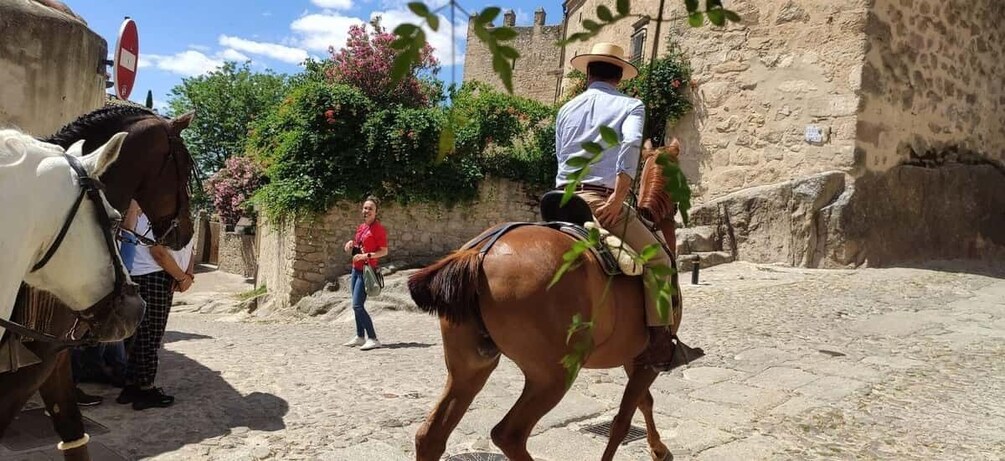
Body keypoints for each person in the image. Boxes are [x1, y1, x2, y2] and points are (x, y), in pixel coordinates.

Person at [555, 42, 681, 371]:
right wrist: (618, 195)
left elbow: (561, 156)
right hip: (600, 202)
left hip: (560, 202)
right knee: (661, 260)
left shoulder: (567, 109)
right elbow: (629, 145)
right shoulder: (630, 105)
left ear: (588, 75)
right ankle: (657, 344)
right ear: (619, 77)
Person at [116, 210, 194, 410]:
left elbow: (189, 248)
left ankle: (132, 385)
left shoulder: (175, 215)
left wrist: (188, 274)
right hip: (152, 277)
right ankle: (145, 388)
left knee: (143, 335)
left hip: (160, 276)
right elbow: (158, 253)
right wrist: (181, 277)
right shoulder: (153, 216)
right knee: (149, 336)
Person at [341, 196, 388, 351]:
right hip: (356, 269)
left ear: (376, 212)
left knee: (357, 305)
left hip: (366, 271)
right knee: (355, 306)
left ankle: (373, 338)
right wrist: (351, 244)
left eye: (370, 209)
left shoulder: (378, 229)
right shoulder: (362, 227)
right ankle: (360, 336)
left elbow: (383, 251)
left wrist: (366, 256)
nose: (367, 211)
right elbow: (359, 247)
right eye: (365, 208)